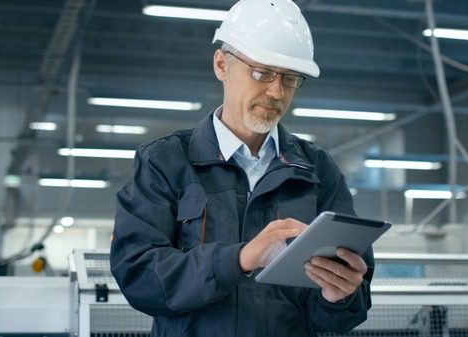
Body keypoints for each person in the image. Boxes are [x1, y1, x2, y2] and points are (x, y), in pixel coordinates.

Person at [110, 0, 374, 336]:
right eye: (261, 72)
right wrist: (240, 259)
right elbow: (140, 278)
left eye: (290, 78)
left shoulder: (317, 170)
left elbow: (344, 313)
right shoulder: (164, 161)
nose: (276, 91)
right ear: (222, 65)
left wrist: (339, 297)